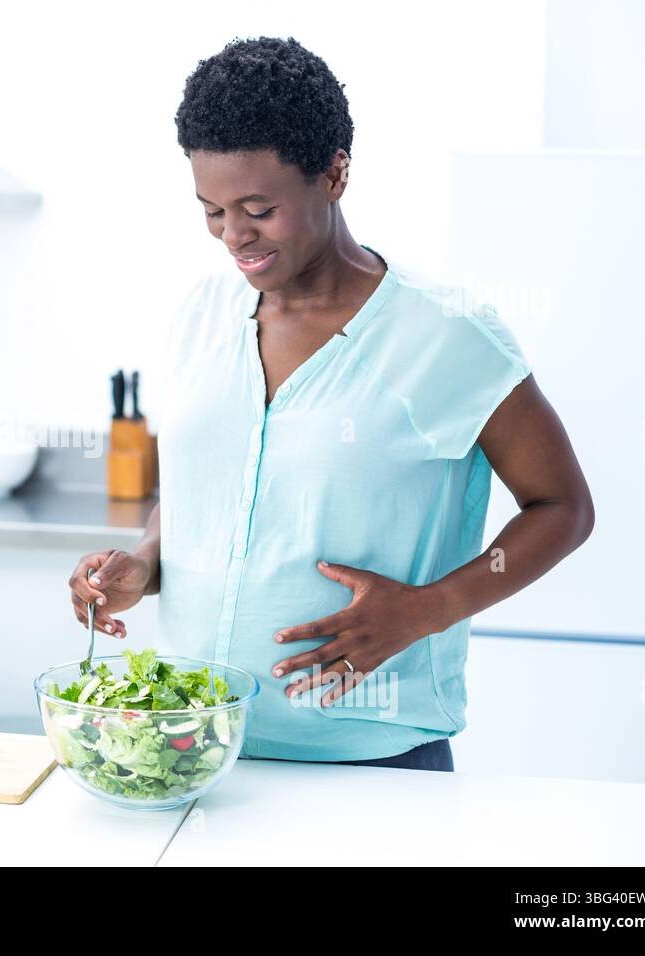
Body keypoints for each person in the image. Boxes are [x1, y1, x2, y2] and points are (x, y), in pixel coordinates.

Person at [66, 37, 594, 772]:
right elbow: (202, 491)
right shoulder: (201, 313)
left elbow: (563, 508)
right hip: (196, 746)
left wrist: (428, 608)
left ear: (335, 173)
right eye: (212, 210)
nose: (234, 236)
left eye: (259, 209)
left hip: (372, 760)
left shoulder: (444, 333)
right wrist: (146, 562)